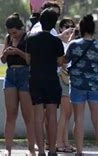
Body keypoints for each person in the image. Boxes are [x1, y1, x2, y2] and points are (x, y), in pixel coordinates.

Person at [65, 15, 98, 156]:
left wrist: (71, 40)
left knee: (78, 119)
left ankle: (79, 152)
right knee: (97, 119)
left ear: (81, 29)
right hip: (96, 86)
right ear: (93, 29)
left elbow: (65, 60)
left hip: (77, 86)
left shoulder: (74, 45)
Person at [25, 8, 65, 156]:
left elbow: (28, 59)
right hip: (51, 80)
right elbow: (60, 62)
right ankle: (52, 150)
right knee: (52, 115)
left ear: (40, 22)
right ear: (55, 23)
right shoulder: (56, 41)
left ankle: (40, 150)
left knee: (38, 116)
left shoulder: (31, 39)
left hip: (35, 79)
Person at [0, 13, 35, 156]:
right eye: (10, 33)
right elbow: (2, 60)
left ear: (20, 28)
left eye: (14, 32)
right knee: (11, 114)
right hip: (10, 75)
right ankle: (7, 149)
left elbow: (30, 59)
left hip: (25, 75)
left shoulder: (28, 38)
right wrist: (7, 53)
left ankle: (31, 148)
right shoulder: (8, 39)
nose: (12, 35)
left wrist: (18, 51)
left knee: (28, 115)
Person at [56, 18, 77, 153]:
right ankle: (59, 143)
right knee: (65, 113)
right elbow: (62, 60)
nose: (69, 29)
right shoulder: (59, 42)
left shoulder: (73, 44)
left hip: (69, 79)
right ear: (61, 29)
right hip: (61, 79)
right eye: (66, 27)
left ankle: (65, 142)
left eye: (72, 27)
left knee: (68, 114)